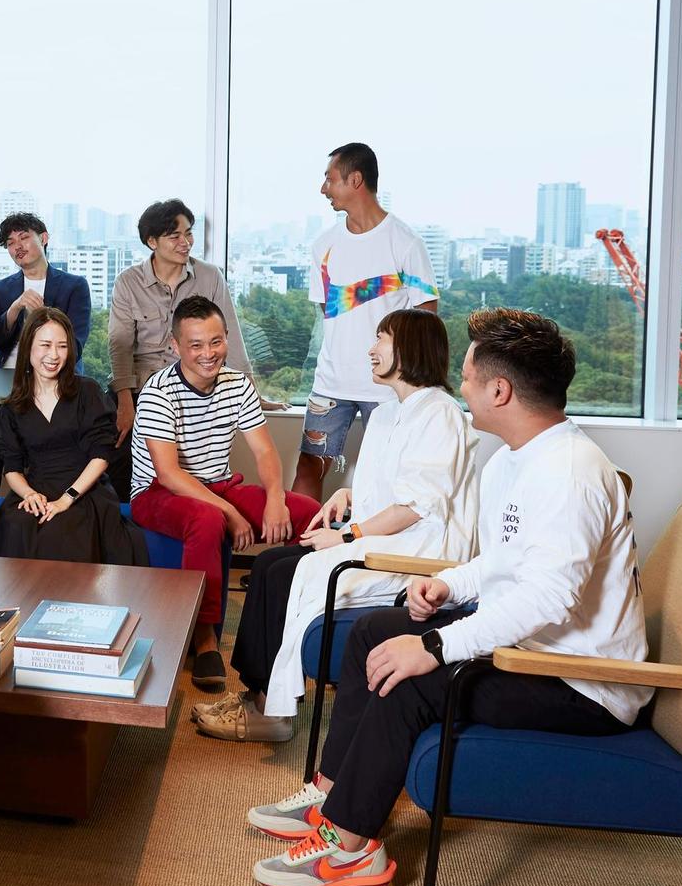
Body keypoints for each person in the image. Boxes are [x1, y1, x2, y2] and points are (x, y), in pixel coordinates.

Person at [248, 309, 648, 886]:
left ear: (499, 391)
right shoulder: (514, 458)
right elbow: (505, 562)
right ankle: (331, 794)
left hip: (579, 681)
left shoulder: (570, 472)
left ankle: (352, 849)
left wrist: (435, 646)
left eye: (466, 377)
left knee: (406, 677)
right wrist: (451, 586)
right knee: (373, 634)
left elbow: (550, 597)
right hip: (526, 646)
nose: (459, 388)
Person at [194, 309, 476, 743]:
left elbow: (416, 507)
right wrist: (347, 496)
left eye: (381, 339)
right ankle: (258, 697)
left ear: (409, 348)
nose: (371, 349)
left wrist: (347, 535)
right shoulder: (388, 412)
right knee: (268, 564)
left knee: (283, 573)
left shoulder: (439, 414)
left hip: (410, 552)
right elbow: (389, 490)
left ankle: (270, 712)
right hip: (378, 537)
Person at [129, 296, 321, 692]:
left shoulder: (237, 383)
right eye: (196, 344)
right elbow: (168, 474)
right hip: (157, 492)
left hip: (218, 484)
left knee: (309, 513)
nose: (208, 353)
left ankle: (307, 620)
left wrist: (276, 499)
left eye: (216, 342)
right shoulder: (157, 392)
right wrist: (231, 514)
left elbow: (264, 451)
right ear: (175, 346)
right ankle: (204, 640)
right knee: (208, 518)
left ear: (227, 338)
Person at [292, 143, 439, 503]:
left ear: (355, 179)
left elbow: (426, 319)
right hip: (330, 383)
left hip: (388, 387)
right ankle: (302, 539)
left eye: (330, 180)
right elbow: (327, 314)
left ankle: (371, 540)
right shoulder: (324, 246)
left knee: (388, 475)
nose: (323, 189)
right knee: (309, 467)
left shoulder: (406, 243)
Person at [107, 199, 248, 497]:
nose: (186, 243)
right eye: (175, 236)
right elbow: (119, 345)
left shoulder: (210, 277)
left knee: (194, 472)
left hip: (194, 389)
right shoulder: (128, 282)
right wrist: (125, 401)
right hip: (141, 390)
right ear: (152, 242)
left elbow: (230, 336)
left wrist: (250, 390)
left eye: (189, 233)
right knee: (122, 467)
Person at [0, 307, 146, 566]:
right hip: (37, 488)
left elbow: (101, 455)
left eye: (62, 346)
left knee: (61, 530)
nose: (54, 355)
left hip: (84, 489)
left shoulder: (88, 391)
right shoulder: (12, 406)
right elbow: (12, 467)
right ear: (28, 347)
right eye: (45, 345)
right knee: (17, 524)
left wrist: (66, 499)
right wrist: (29, 495)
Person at [0, 211, 90, 493]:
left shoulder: (74, 285)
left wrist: (43, 316)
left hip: (55, 373)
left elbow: (75, 345)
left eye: (24, 237)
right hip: (7, 373)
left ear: (44, 238)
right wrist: (14, 308)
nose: (17, 246)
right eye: (10, 243)